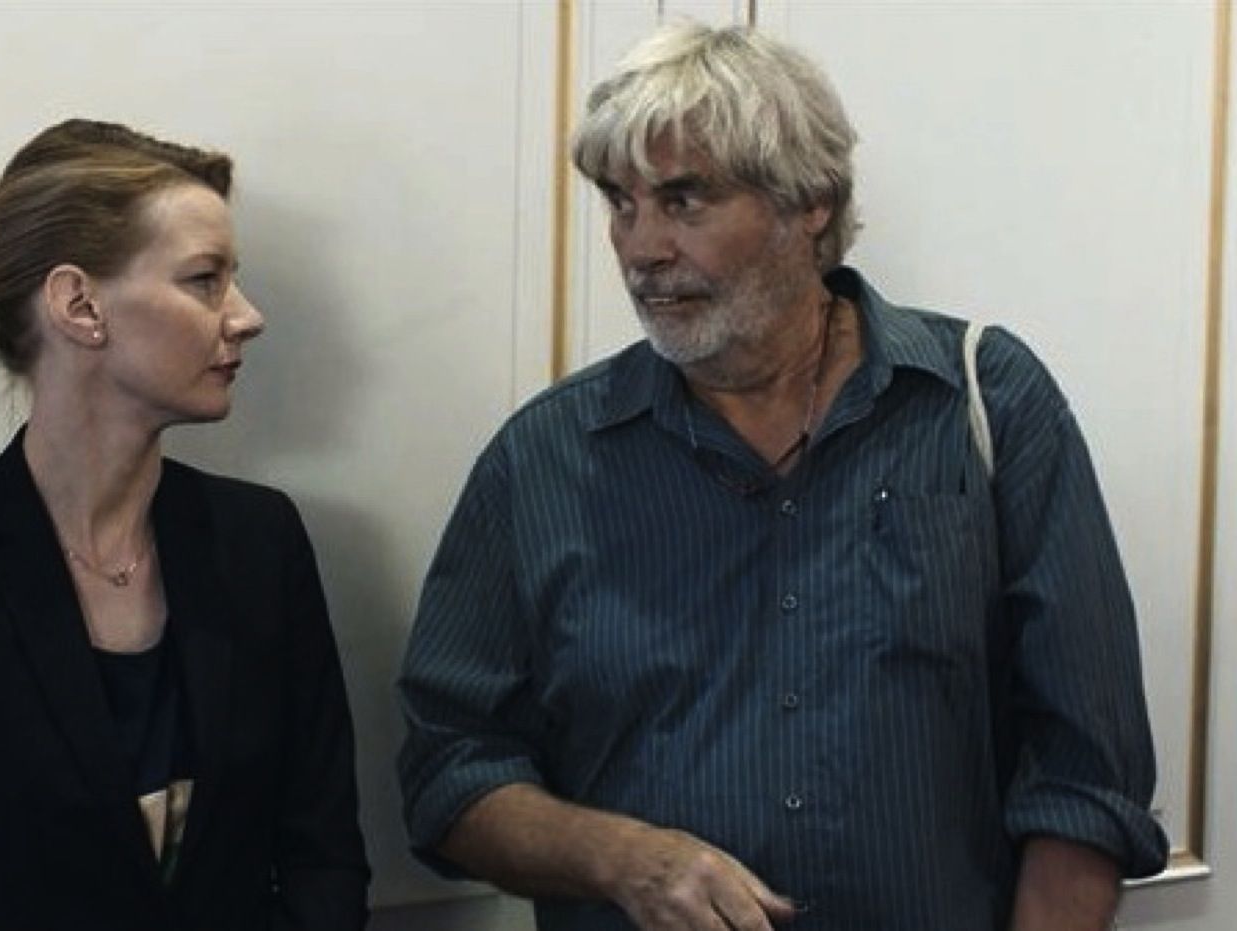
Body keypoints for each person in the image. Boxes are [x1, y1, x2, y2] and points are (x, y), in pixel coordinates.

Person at [397, 23, 1167, 931]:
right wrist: (621, 857)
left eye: (684, 200)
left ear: (809, 203)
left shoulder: (981, 402)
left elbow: (1084, 769)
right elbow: (450, 768)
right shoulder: (544, 458)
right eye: (620, 203)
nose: (640, 248)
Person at [0, 119, 370, 930]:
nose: (246, 315)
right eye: (204, 279)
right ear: (79, 304)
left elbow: (322, 855)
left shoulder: (261, 541)